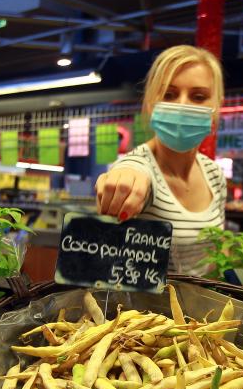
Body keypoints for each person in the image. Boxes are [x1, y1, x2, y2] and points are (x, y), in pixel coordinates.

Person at [95, 45, 226, 271]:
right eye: (169, 94)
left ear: (217, 106)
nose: (182, 105)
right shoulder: (138, 165)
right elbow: (130, 173)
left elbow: (218, 254)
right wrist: (122, 183)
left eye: (198, 96)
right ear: (150, 103)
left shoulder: (214, 174)